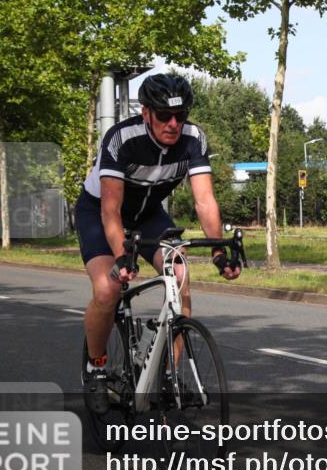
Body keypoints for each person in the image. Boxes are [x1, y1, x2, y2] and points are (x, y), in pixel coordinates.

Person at [77, 73, 241, 413]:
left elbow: (205, 201)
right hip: (101, 213)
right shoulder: (121, 138)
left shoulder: (193, 139)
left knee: (180, 275)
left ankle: (167, 374)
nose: (173, 124)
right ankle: (96, 368)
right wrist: (123, 256)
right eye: (164, 116)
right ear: (146, 112)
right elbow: (110, 211)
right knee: (108, 290)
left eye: (180, 116)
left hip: (149, 214)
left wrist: (218, 251)